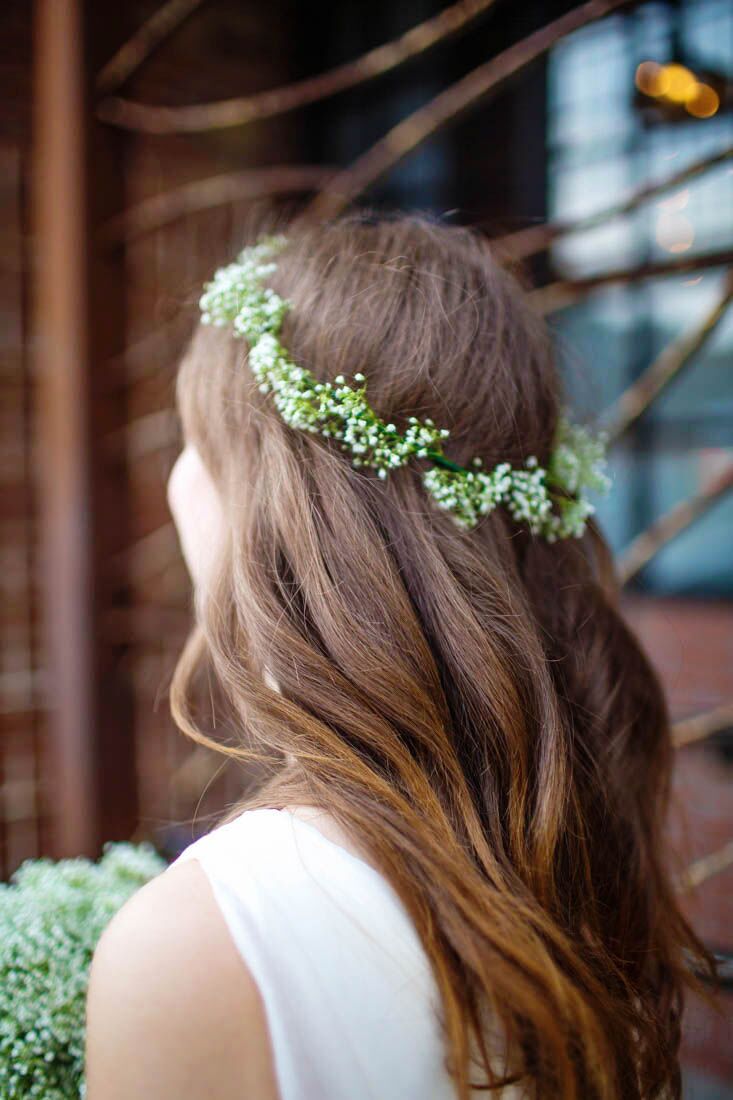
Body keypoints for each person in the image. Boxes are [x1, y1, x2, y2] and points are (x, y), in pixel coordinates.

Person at [84, 212, 718, 1100]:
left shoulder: (199, 947)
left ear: (261, 500)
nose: (176, 477)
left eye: (192, 438)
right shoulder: (565, 835)